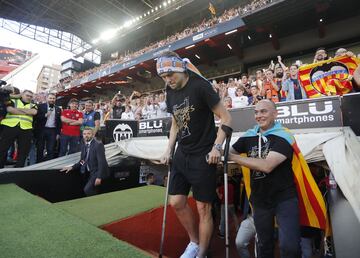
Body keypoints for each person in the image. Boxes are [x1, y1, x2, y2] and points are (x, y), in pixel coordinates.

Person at [229, 99, 327, 258]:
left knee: (290, 247)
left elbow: (267, 165)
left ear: (275, 114)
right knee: (264, 245)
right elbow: (226, 153)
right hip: (260, 199)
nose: (259, 115)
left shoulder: (283, 135)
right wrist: (218, 148)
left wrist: (236, 158)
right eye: (256, 112)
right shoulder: (249, 136)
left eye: (263, 111)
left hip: (284, 197)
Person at [158, 51, 232, 258]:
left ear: (181, 68)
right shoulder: (169, 91)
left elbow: (226, 118)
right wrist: (168, 149)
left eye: (171, 74)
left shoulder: (200, 87)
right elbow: (175, 122)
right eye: (164, 77)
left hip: (203, 154)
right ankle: (194, 241)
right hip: (182, 152)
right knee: (176, 202)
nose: (168, 80)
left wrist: (216, 147)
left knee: (203, 208)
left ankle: (201, 253)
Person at [61, 127, 109, 196]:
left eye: (88, 134)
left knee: (87, 189)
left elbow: (102, 162)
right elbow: (83, 160)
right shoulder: (84, 144)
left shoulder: (98, 145)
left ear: (93, 135)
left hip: (97, 171)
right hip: (89, 172)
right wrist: (72, 167)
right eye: (84, 134)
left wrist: (99, 177)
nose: (86, 135)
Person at [0, 90, 37, 168]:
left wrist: (16, 110)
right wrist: (27, 112)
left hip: (26, 128)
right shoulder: (12, 100)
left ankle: (18, 169)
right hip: (10, 126)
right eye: (27, 95)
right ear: (22, 95)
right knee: (3, 148)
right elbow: (9, 110)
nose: (29, 97)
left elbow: (33, 112)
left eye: (31, 96)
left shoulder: (33, 104)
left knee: (23, 151)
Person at [34, 93, 62, 162]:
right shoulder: (40, 106)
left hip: (52, 131)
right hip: (42, 130)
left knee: (51, 148)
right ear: (47, 98)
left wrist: (58, 133)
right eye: (50, 98)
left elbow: (59, 122)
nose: (52, 100)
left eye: (53, 98)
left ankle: (48, 163)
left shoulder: (58, 109)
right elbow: (36, 118)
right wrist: (45, 115)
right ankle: (38, 163)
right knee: (40, 148)